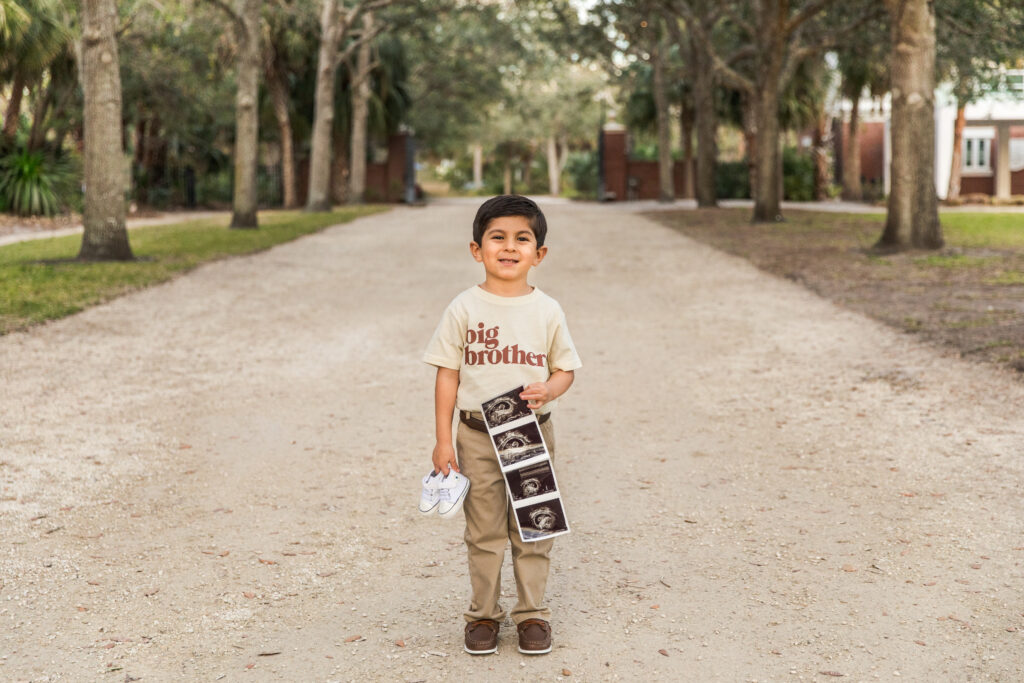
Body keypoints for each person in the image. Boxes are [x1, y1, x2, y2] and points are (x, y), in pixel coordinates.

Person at [423, 195, 582, 656]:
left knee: (534, 526)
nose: (509, 247)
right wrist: (441, 440)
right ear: (477, 249)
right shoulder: (463, 308)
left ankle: (533, 614)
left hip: (530, 436)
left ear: (539, 253)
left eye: (522, 238)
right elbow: (447, 374)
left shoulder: (547, 310)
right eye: (498, 237)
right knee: (485, 531)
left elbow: (565, 368)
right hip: (475, 437)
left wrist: (551, 389)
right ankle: (483, 617)